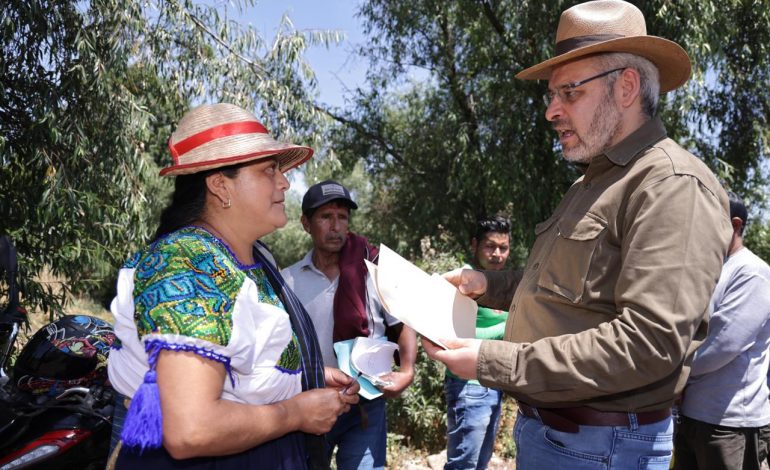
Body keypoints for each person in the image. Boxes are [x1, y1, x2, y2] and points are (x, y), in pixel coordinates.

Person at [422, 1, 732, 468]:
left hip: (601, 448)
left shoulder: (671, 185)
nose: (551, 111)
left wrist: (494, 361)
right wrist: (489, 285)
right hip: (563, 437)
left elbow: (648, 345)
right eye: (552, 95)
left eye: (569, 92)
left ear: (626, 86)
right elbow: (570, 287)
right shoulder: (593, 182)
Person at [106, 103, 359, 469]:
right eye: (269, 170)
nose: (285, 182)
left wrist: (309, 374)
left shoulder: (256, 259)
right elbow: (191, 429)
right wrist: (295, 414)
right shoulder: (188, 264)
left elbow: (244, 364)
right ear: (220, 184)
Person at [282, 180, 417, 470]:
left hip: (366, 404)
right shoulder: (287, 282)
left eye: (342, 217)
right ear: (306, 223)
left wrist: (406, 371)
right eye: (325, 217)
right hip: (312, 402)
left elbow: (403, 323)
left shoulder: (373, 272)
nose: (336, 226)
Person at [674, 191, 770, 470]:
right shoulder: (710, 269)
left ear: (735, 224)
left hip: (730, 423)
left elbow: (722, 344)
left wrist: (675, 378)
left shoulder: (752, 272)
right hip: (694, 415)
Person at [444, 216, 511, 470]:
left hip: (494, 382)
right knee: (464, 464)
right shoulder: (464, 282)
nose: (497, 254)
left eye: (503, 248)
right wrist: (513, 324)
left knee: (479, 463)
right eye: (490, 246)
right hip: (469, 387)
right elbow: (459, 337)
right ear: (474, 245)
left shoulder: (503, 283)